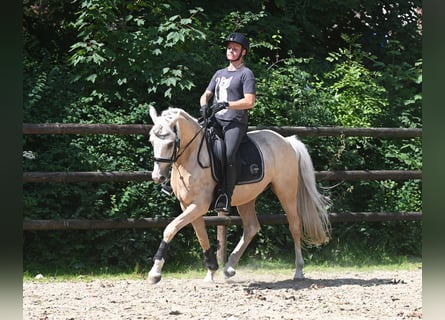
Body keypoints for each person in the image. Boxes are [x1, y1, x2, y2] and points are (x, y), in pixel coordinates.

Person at [200, 32, 256, 212]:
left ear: (243, 52)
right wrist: (204, 105)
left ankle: (225, 195)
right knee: (192, 141)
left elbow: (249, 101)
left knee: (229, 155)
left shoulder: (246, 74)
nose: (231, 51)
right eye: (229, 48)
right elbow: (206, 94)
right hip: (216, 119)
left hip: (235, 122)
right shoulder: (219, 73)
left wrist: (227, 104)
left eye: (235, 49)